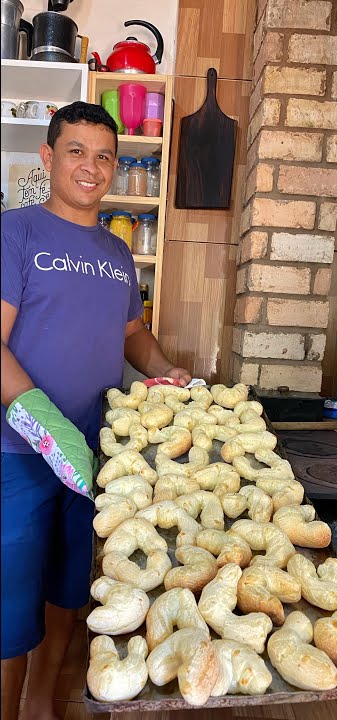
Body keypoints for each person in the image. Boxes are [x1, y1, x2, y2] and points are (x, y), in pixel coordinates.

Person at [1, 101, 191, 720]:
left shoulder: (116, 252)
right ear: (49, 157)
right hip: (20, 456)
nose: (92, 166)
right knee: (11, 603)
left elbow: (132, 332)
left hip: (96, 457)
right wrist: (43, 421)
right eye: (77, 151)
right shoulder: (15, 232)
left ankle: (39, 705)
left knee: (69, 592)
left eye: (104, 155)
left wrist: (165, 368)